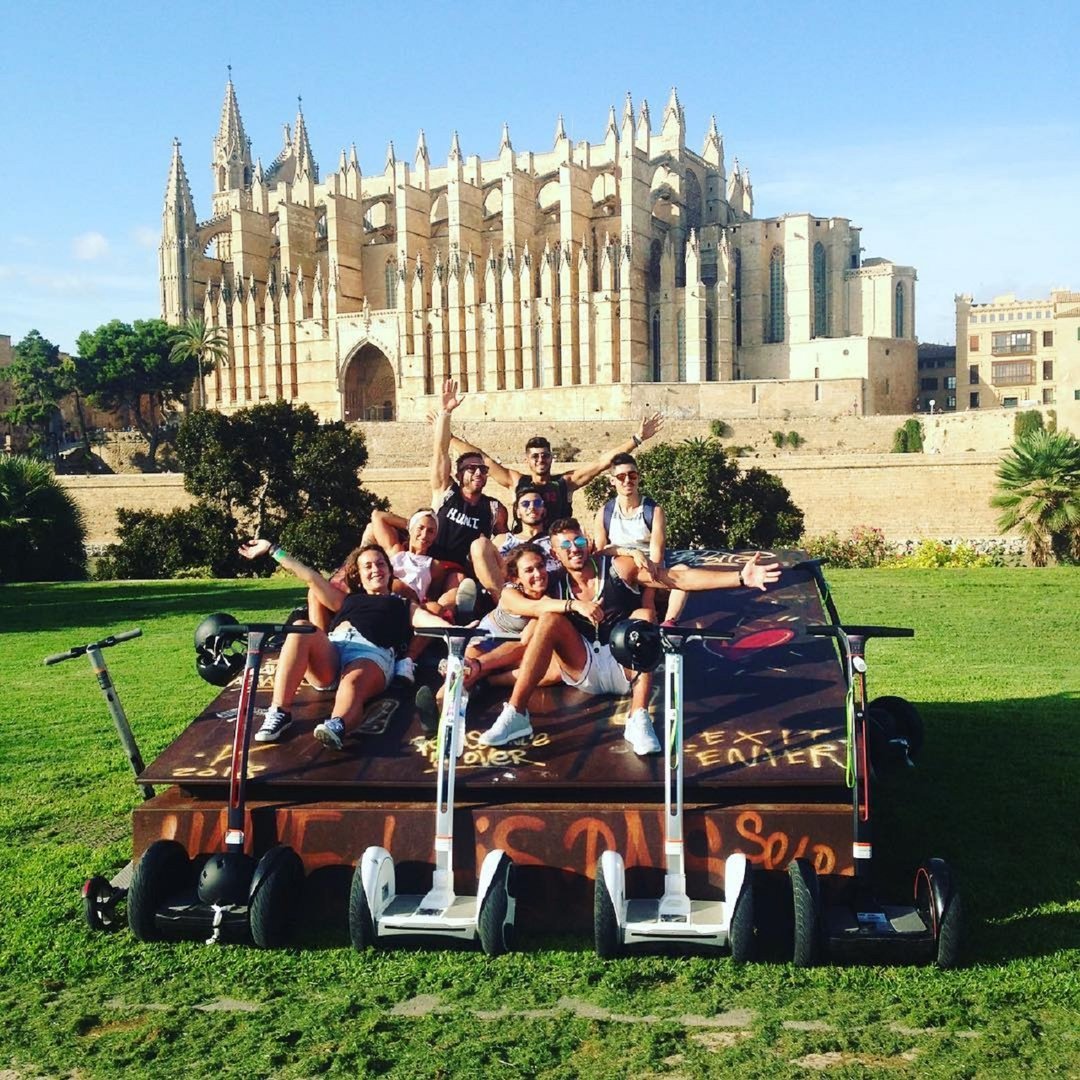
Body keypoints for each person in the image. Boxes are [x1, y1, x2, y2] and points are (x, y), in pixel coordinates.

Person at [478, 518, 781, 754]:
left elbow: (675, 578)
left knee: (644, 616)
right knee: (548, 621)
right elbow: (509, 600)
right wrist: (574, 605)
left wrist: (740, 577)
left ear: (588, 543)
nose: (574, 548)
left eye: (579, 540)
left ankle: (638, 718)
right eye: (565, 546)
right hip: (582, 667)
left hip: (623, 661)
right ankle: (516, 714)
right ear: (556, 554)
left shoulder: (618, 569)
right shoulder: (552, 582)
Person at [238, 538, 449, 750]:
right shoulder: (347, 600)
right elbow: (311, 577)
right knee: (301, 627)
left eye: (380, 564)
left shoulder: (401, 604)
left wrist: (462, 632)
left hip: (371, 656)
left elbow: (428, 620)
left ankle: (338, 724)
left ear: (389, 569)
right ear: (358, 574)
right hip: (333, 652)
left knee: (353, 680)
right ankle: (280, 712)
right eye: (368, 566)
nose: (375, 569)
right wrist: (273, 550)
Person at [415, 542, 559, 728]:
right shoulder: (510, 593)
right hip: (487, 642)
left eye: (540, 566)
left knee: (554, 670)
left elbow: (527, 639)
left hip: (515, 651)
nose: (538, 574)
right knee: (462, 676)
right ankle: (437, 711)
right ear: (517, 578)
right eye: (529, 570)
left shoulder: (548, 598)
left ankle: (489, 682)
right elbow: (532, 616)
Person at [449, 413, 665, 525]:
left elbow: (601, 463)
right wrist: (448, 438)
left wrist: (636, 439)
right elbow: (483, 458)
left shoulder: (565, 483)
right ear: (527, 461)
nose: (540, 460)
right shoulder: (517, 482)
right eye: (535, 456)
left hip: (560, 545)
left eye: (544, 456)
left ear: (551, 458)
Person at [429, 379, 507, 607]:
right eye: (471, 469)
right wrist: (445, 414)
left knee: (458, 588)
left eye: (482, 469)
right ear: (459, 473)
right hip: (430, 562)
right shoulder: (445, 491)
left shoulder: (494, 509)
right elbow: (440, 451)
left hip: (461, 571)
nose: (478, 473)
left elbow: (503, 542)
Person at [592, 452, 686, 625]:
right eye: (621, 476)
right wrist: (631, 553)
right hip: (619, 575)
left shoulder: (653, 511)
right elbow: (600, 552)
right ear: (612, 481)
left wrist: (649, 594)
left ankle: (670, 624)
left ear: (638, 477)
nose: (627, 480)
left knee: (683, 572)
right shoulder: (604, 513)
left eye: (632, 475)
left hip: (648, 571)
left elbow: (657, 557)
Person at [492, 483, 560, 573]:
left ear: (544, 510)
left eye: (537, 503)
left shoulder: (556, 540)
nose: (532, 507)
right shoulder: (502, 540)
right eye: (525, 504)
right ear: (518, 512)